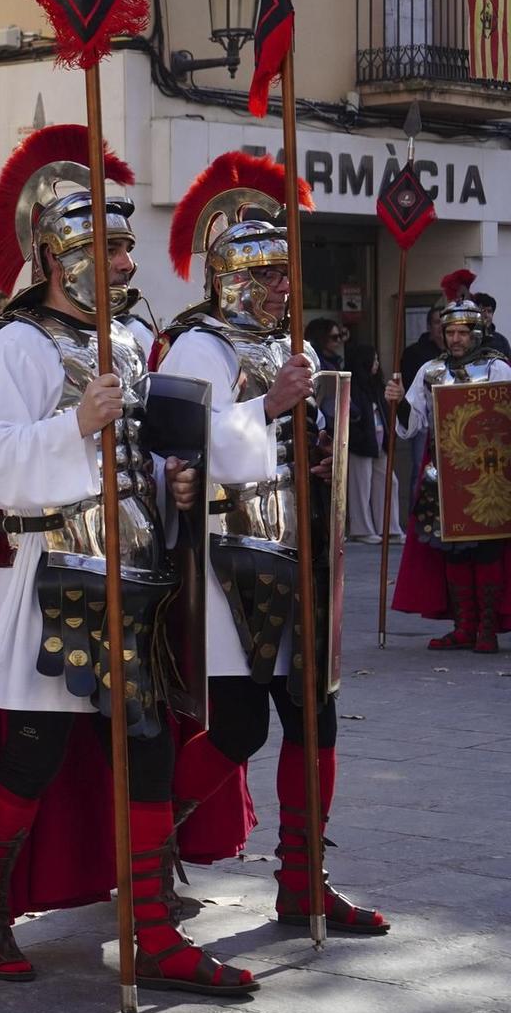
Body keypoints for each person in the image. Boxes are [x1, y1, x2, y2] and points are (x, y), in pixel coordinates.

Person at [0, 122, 256, 995]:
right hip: (53, 577)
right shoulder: (16, 344)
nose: (124, 265)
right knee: (35, 751)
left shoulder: (127, 341)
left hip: (139, 574)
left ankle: (151, 932)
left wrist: (178, 484)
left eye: (124, 249)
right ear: (53, 254)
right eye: (106, 249)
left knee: (152, 745)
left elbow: (150, 456)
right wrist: (76, 423)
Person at [158, 150, 389, 938]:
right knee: (237, 727)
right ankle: (150, 855)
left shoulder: (296, 346)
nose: (279, 289)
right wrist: (269, 409)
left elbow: (308, 437)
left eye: (285, 275)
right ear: (226, 276)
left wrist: (316, 439)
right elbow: (179, 454)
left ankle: (304, 882)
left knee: (313, 717)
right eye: (263, 276)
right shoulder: (197, 347)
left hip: (302, 553)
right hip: (230, 561)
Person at [387, 293, 511, 652]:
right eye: (449, 332)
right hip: (444, 475)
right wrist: (396, 402)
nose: (454, 339)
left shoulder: (497, 369)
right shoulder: (431, 371)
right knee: (453, 551)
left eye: (462, 332)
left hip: (489, 474)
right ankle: (464, 627)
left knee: (486, 552)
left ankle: (487, 629)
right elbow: (411, 426)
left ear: (477, 332)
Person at [343, 343, 393, 543]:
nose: (377, 364)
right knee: (360, 485)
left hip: (378, 441)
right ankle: (362, 529)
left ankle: (388, 526)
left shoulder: (375, 385)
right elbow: (354, 417)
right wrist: (360, 438)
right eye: (374, 359)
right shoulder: (355, 387)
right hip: (363, 442)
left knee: (389, 482)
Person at [473, 291, 509, 359]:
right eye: (482, 311)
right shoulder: (466, 339)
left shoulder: (502, 341)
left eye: (489, 311)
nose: (486, 315)